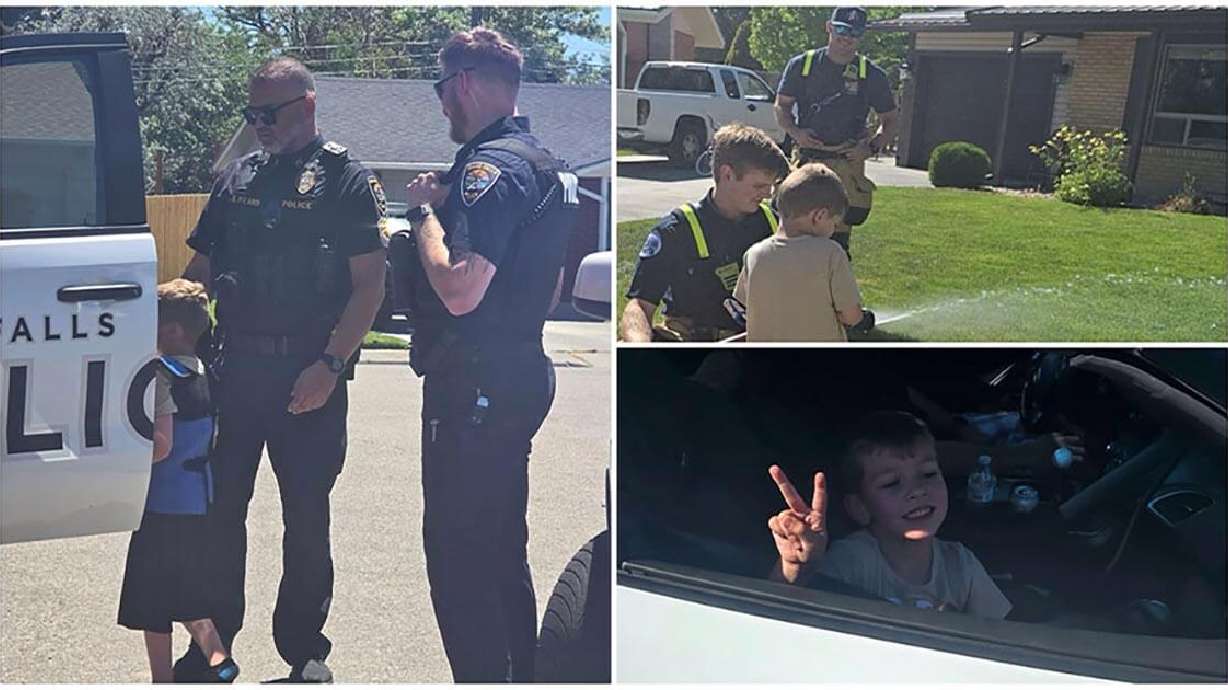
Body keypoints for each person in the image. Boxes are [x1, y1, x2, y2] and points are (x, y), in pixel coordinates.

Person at [176, 57, 387, 683]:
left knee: (306, 516)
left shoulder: (346, 178)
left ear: (309, 105)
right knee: (217, 515)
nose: (260, 125)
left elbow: (369, 286)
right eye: (253, 114)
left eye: (271, 113)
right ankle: (212, 648)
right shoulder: (236, 178)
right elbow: (198, 276)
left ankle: (305, 650)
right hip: (233, 371)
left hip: (309, 378)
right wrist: (175, 346)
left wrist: (329, 365)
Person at [400, 28, 578, 682]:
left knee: (458, 558)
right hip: (518, 374)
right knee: (502, 549)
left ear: (466, 84)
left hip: (470, 387)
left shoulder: (487, 168)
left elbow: (461, 287)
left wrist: (422, 217)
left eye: (443, 89)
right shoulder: (545, 165)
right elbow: (551, 284)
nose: (442, 104)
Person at [766, 411, 1013, 619]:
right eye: (892, 483)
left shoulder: (960, 564)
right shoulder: (851, 560)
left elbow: (1005, 635)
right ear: (860, 508)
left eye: (928, 474)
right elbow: (785, 610)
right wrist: (796, 566)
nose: (917, 490)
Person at [117, 279, 239, 683]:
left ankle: (161, 679)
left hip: (161, 505)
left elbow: (162, 444)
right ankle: (219, 659)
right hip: (198, 502)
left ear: (170, 331)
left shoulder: (160, 377)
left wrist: (125, 456)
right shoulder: (206, 373)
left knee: (153, 602)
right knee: (188, 596)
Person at [621, 123, 790, 342]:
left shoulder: (774, 224)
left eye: (770, 186)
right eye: (758, 186)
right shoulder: (676, 231)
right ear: (727, 174)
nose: (767, 194)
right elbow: (639, 306)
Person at [774, 6, 899, 259]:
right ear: (829, 27)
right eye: (841, 29)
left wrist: (870, 148)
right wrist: (796, 132)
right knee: (792, 230)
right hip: (807, 159)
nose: (846, 37)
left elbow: (891, 120)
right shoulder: (802, 66)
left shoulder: (872, 75)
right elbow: (782, 106)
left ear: (861, 35)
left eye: (854, 32)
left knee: (836, 241)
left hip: (846, 164)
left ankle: (832, 290)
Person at [732, 163, 867, 342]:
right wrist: (864, 318)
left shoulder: (755, 254)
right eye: (834, 224)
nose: (833, 230)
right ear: (818, 215)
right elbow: (850, 316)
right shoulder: (831, 254)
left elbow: (742, 304)